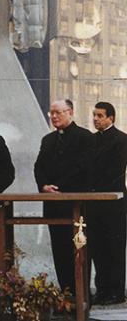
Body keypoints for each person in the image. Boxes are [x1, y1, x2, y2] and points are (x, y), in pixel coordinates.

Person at [34, 98, 94, 293]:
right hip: (53, 205)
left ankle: (81, 297)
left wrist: (60, 188)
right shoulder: (48, 139)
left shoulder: (85, 137)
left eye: (58, 112)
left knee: (79, 251)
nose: (54, 116)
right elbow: (39, 167)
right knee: (59, 252)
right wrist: (44, 186)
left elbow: (84, 168)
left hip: (77, 206)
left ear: (70, 112)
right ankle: (66, 296)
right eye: (51, 112)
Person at [89, 101, 127, 305]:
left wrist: (95, 187)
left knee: (114, 247)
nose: (95, 119)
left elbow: (116, 171)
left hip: (114, 203)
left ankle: (117, 291)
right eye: (94, 115)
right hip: (94, 203)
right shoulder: (91, 140)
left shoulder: (122, 139)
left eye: (100, 115)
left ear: (111, 118)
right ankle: (102, 289)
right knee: (97, 247)